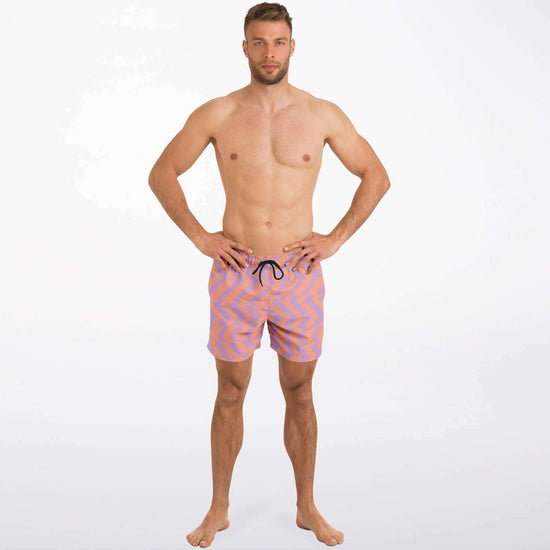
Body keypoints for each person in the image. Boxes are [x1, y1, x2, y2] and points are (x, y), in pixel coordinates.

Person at [148, 2, 390, 547]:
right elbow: (162, 173)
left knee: (300, 390)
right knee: (230, 390)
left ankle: (306, 507)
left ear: (292, 47)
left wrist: (334, 239)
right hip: (236, 273)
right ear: (245, 48)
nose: (269, 52)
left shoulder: (322, 114)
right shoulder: (218, 112)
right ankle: (218, 509)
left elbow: (376, 175)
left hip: (299, 274)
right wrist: (201, 237)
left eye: (278, 42)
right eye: (259, 42)